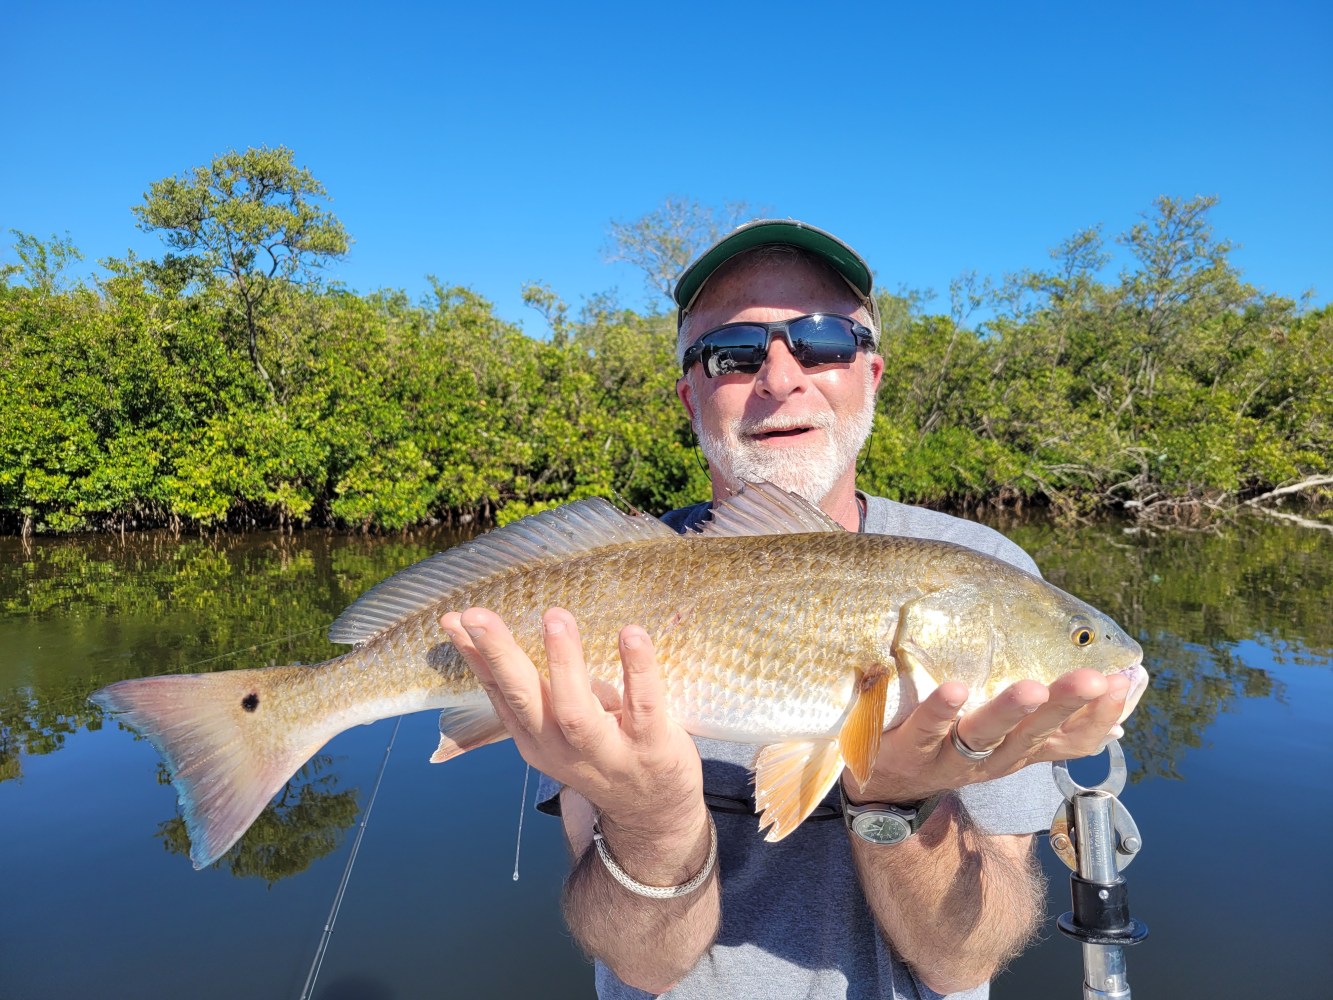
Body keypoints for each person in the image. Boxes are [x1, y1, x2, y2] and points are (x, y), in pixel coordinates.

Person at [440, 221, 1134, 999]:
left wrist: (894, 799)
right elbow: (640, 965)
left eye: (823, 341)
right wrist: (651, 818)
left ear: (870, 373)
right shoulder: (594, 587)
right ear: (689, 392)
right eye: (732, 352)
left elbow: (963, 962)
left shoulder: (988, 570)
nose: (778, 377)